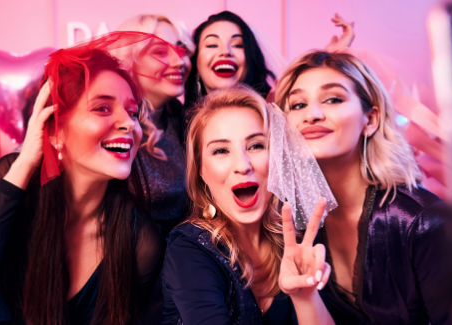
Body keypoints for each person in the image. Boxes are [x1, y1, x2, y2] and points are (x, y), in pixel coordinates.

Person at [0, 33, 169, 325]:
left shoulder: (141, 240)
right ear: (55, 130)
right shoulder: (13, 177)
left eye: (133, 112)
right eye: (102, 108)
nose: (128, 123)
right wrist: (27, 160)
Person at [274, 51, 452, 324]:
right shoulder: (297, 222)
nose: (312, 114)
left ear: (370, 120)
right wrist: (303, 296)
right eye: (297, 105)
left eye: (333, 99)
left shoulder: (422, 220)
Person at [162, 85, 336, 325]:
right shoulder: (189, 249)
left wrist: (305, 296)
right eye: (221, 150)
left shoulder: (299, 242)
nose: (242, 165)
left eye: (255, 146)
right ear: (201, 171)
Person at [116, 15, 194, 234]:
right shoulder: (113, 127)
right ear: (128, 61)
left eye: (180, 50)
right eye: (160, 52)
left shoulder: (186, 120)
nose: (179, 62)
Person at [183, 11, 355, 109]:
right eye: (212, 45)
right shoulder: (176, 122)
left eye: (238, 45)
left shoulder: (273, 108)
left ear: (250, 59)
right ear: (195, 61)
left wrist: (332, 53)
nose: (225, 52)